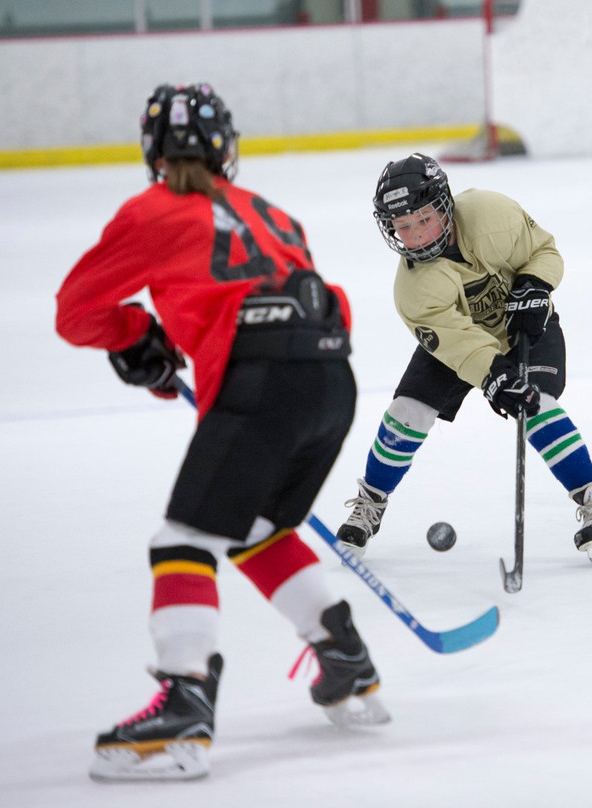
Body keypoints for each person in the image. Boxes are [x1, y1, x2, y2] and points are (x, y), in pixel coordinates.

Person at [55, 83, 386, 781]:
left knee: (182, 540)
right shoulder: (274, 213)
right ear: (226, 147)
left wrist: (135, 334)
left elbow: (76, 311)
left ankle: (184, 704)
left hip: (262, 384)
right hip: (334, 381)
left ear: (152, 151)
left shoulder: (149, 212)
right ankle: (345, 659)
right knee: (259, 528)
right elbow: (324, 303)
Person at [336, 153, 592, 567]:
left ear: (444, 206)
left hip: (523, 326)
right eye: (403, 227)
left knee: (537, 407)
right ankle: (370, 503)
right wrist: (493, 375)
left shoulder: (491, 213)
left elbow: (545, 251)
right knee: (407, 412)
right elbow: (461, 346)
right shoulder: (413, 290)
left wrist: (535, 284)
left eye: (423, 219)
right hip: (465, 343)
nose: (415, 236)